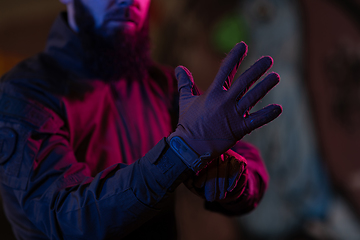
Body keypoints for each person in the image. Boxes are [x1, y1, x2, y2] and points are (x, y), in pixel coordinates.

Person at [0, 0, 282, 239]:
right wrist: (182, 152)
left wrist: (231, 175)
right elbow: (61, 218)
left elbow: (252, 176)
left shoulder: (161, 85)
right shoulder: (25, 94)